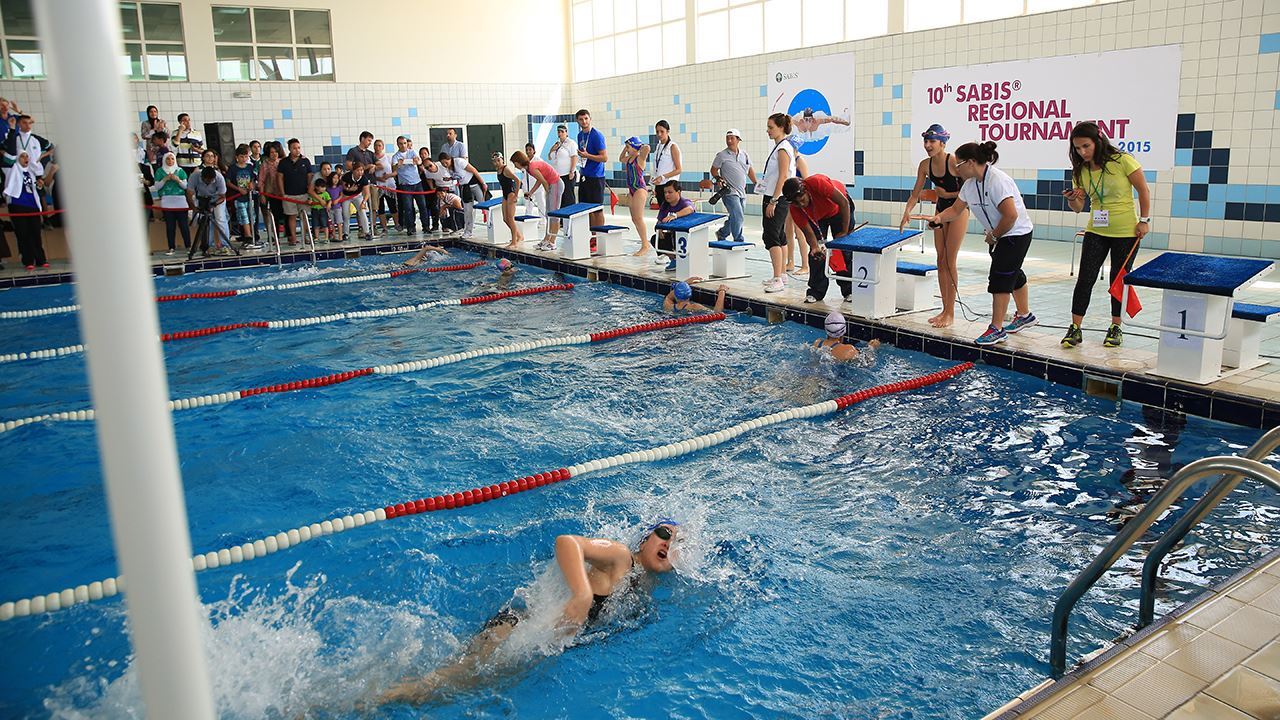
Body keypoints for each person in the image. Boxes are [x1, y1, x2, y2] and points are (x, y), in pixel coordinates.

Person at [376, 520, 679, 707]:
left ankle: (384, 699)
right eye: (664, 532)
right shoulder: (620, 556)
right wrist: (582, 594)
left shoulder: (641, 587)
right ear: (644, 539)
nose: (668, 542)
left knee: (451, 691)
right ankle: (371, 700)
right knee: (444, 682)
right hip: (515, 627)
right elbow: (567, 542)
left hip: (533, 642)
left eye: (677, 543)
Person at [930, 141, 1037, 346]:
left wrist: (994, 236)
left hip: (1015, 233)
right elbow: (955, 210)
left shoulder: (997, 181)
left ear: (971, 163)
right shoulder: (970, 185)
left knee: (1000, 277)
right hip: (999, 233)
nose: (956, 170)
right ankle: (1025, 315)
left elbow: (1011, 215)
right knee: (1012, 272)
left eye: (959, 165)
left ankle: (997, 329)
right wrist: (939, 218)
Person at [1062, 121, 1152, 349]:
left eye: (1086, 146)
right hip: (1096, 230)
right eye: (1077, 148)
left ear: (1098, 141)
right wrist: (1073, 199)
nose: (1082, 152)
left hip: (1126, 231)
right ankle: (1075, 328)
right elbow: (1078, 207)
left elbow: (1143, 190)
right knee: (1085, 278)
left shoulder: (1122, 161)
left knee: (1118, 280)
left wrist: (1144, 220)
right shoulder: (1080, 170)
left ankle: (1115, 327)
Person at [900, 124, 967, 328]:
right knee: (940, 259)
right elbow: (915, 194)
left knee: (950, 260)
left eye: (932, 141)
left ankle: (951, 313)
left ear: (942, 143)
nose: (928, 145)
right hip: (940, 210)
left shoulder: (953, 162)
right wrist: (906, 212)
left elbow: (969, 191)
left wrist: (948, 194)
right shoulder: (925, 165)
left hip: (958, 211)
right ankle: (944, 310)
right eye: (926, 141)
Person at [783, 174, 852, 304]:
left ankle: (849, 290)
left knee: (844, 250)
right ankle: (816, 291)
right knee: (816, 255)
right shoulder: (795, 209)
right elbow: (808, 233)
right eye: (796, 203)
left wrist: (844, 231)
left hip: (840, 209)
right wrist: (815, 247)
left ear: (806, 191)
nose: (801, 204)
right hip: (818, 217)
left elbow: (844, 203)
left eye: (802, 199)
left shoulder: (817, 183)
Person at [760, 113, 796, 293]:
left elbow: (783, 176)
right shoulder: (782, 147)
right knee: (780, 235)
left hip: (777, 198)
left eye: (771, 127)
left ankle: (777, 278)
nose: (768, 131)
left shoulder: (783, 149)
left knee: (771, 236)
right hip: (777, 197)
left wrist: (773, 201)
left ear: (781, 128)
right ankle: (781, 275)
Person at [711, 129, 756, 245]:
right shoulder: (721, 155)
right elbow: (713, 170)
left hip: (742, 192)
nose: (729, 141)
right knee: (738, 216)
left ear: (738, 140)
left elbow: (749, 170)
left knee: (735, 217)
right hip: (729, 192)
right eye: (727, 138)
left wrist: (756, 183)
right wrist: (718, 178)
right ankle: (738, 240)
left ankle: (722, 233)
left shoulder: (744, 155)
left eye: (732, 138)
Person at [511, 151, 562, 250]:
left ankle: (552, 242)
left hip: (555, 184)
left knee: (554, 215)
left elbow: (544, 182)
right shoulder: (530, 168)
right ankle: (546, 239)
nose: (515, 165)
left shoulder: (532, 167)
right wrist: (531, 192)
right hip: (552, 185)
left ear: (518, 162)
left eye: (514, 163)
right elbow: (540, 180)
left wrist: (548, 192)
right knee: (548, 214)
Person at [4, 151, 46, 269]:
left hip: (32, 206)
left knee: (36, 233)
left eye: (27, 156)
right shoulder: (13, 170)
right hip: (18, 205)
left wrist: (39, 186)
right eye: (22, 156)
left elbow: (34, 189)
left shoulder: (31, 172)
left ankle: (41, 259)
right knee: (23, 234)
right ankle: (28, 260)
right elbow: (9, 186)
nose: (25, 158)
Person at [188, 166, 233, 255]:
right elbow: (189, 194)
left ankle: (225, 245)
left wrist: (214, 204)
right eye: (207, 181)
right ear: (202, 177)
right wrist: (194, 207)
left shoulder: (219, 178)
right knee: (205, 222)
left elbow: (222, 197)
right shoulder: (194, 176)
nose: (209, 183)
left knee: (220, 219)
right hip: (202, 198)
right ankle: (208, 246)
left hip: (217, 199)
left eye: (211, 181)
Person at [575, 109, 608, 230]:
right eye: (581, 119)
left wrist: (587, 155)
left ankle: (599, 234)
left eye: (586, 118)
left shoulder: (596, 135)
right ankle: (591, 234)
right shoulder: (580, 135)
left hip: (596, 177)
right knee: (585, 208)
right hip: (585, 175)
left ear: (590, 119)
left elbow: (604, 158)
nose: (584, 121)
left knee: (597, 209)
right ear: (577, 121)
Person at [277, 138, 314, 246]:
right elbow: (279, 178)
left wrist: (309, 190)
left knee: (304, 216)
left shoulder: (305, 161)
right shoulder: (283, 162)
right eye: (294, 148)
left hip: (303, 193)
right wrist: (282, 193)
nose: (297, 150)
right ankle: (293, 237)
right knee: (291, 216)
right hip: (289, 194)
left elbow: (309, 176)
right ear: (289, 149)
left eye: (298, 148)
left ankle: (305, 237)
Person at [441, 152, 487, 239]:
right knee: (467, 210)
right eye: (443, 164)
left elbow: (474, 170)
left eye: (446, 162)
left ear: (450, 159)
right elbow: (459, 176)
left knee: (485, 205)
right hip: (465, 188)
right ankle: (468, 231)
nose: (445, 165)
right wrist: (450, 178)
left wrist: (483, 183)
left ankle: (493, 226)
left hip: (474, 184)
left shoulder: (459, 162)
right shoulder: (449, 169)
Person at [152, 152, 190, 255]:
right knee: (170, 226)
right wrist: (165, 179)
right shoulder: (160, 171)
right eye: (168, 159)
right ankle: (171, 247)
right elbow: (157, 187)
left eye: (172, 159)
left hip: (180, 201)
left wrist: (177, 180)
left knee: (183, 225)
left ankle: (188, 246)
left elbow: (185, 186)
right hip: (167, 201)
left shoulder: (180, 171)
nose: (170, 161)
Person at [654, 180, 695, 271]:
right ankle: (674, 259)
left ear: (678, 192)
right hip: (672, 234)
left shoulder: (684, 202)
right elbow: (660, 220)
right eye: (665, 192)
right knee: (655, 238)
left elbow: (690, 209)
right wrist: (659, 228)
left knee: (676, 235)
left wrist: (675, 215)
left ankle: (681, 259)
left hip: (686, 236)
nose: (667, 195)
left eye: (670, 192)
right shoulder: (665, 205)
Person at [619, 136, 651, 254]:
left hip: (640, 189)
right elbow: (621, 158)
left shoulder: (640, 158)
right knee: (634, 219)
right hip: (631, 191)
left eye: (628, 147)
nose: (626, 149)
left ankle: (645, 245)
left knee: (639, 218)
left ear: (634, 147)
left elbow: (647, 148)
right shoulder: (629, 159)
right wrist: (627, 147)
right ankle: (644, 243)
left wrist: (638, 146)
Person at [813, 311, 880, 363]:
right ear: (844, 330)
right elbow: (868, 362)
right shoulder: (848, 350)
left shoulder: (817, 343)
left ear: (826, 329)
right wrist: (871, 348)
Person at [420, 155, 463, 235]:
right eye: (427, 168)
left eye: (430, 166)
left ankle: (459, 226)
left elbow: (454, 170)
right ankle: (445, 226)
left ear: (433, 163)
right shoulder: (427, 172)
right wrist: (432, 187)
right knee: (441, 209)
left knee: (455, 208)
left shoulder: (442, 165)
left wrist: (452, 178)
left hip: (451, 187)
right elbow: (428, 179)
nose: (429, 168)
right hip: (440, 189)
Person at [226, 144, 258, 248]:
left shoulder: (250, 167)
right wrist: (238, 189)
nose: (244, 159)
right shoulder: (233, 168)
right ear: (237, 157)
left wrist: (252, 185)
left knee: (251, 216)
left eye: (245, 157)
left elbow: (253, 179)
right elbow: (228, 182)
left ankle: (252, 235)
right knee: (243, 216)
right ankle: (248, 236)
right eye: (241, 157)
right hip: (238, 197)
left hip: (249, 196)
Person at [492, 151, 524, 247]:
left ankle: (514, 242)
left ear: (502, 160)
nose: (497, 163)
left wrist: (516, 195)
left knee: (510, 218)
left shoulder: (506, 169)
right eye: (495, 161)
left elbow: (518, 180)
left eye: (498, 160)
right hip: (505, 195)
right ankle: (519, 236)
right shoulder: (498, 170)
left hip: (510, 194)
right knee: (505, 219)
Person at [338, 163, 373, 241]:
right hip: (346, 196)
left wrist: (364, 202)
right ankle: (346, 233)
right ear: (353, 171)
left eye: (361, 170)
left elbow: (367, 193)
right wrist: (349, 189)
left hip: (357, 196)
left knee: (362, 212)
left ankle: (367, 232)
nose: (360, 172)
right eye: (358, 170)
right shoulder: (347, 176)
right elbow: (343, 186)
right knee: (346, 214)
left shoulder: (364, 179)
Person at [258, 141, 284, 242]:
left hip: (282, 193)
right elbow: (261, 180)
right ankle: (275, 236)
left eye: (276, 152)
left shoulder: (282, 162)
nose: (274, 154)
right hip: (272, 194)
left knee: (286, 214)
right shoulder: (265, 164)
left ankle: (289, 235)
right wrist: (262, 194)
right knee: (275, 215)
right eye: (272, 152)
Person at [547, 124, 578, 207]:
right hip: (558, 175)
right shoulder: (557, 144)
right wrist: (552, 150)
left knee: (568, 196)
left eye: (562, 132)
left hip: (567, 174)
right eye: (558, 132)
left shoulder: (571, 143)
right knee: (560, 197)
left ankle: (570, 213)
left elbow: (574, 157)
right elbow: (550, 157)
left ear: (566, 132)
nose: (560, 133)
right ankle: (561, 214)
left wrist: (572, 171)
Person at [371, 138, 395, 236]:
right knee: (380, 208)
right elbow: (370, 173)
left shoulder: (388, 158)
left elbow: (394, 171)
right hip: (377, 186)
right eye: (375, 145)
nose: (377, 147)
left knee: (392, 206)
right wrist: (378, 178)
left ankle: (397, 224)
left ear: (383, 147)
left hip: (389, 185)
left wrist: (388, 176)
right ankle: (384, 227)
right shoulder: (372, 158)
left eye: (379, 145)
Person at [649, 120, 682, 187]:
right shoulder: (658, 146)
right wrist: (655, 176)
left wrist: (663, 177)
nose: (659, 134)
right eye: (657, 132)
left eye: (662, 131)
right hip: (659, 184)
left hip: (669, 185)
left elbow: (679, 170)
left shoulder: (672, 146)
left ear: (668, 131)